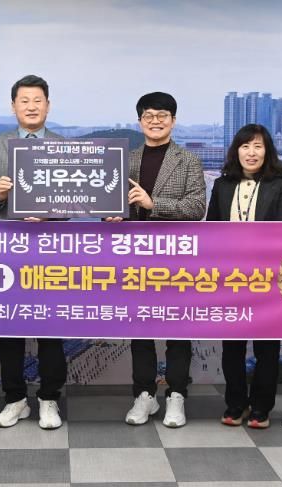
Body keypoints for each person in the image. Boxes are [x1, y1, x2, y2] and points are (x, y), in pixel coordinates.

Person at [0, 75, 67, 429]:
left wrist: (50, 212)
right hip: (7, 252)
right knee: (7, 327)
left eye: (37, 100)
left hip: (49, 252)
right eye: (24, 100)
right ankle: (14, 399)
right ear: (13, 106)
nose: (31, 106)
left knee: (50, 329)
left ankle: (49, 399)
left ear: (48, 106)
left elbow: (75, 200)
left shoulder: (62, 146)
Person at [122, 92, 206, 427]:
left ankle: (176, 395)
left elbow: (196, 208)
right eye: (148, 116)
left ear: (173, 120)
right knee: (139, 330)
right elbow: (114, 207)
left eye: (162, 115)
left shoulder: (188, 161)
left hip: (175, 258)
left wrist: (152, 203)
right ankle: (144, 395)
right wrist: (112, 217)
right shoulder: (126, 160)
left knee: (177, 330)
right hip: (135, 257)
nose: (155, 121)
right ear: (139, 121)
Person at [206, 123, 282, 428]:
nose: (251, 152)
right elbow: (212, 229)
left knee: (266, 348)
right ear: (236, 151)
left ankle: (261, 407)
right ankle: (235, 404)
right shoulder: (222, 185)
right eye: (245, 146)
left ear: (267, 151)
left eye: (258, 146)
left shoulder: (281, 186)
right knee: (231, 347)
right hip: (230, 278)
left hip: (267, 279)